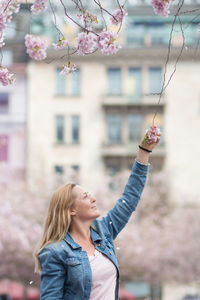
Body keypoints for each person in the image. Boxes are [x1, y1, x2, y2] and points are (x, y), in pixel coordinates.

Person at [34, 128, 161, 300]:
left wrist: (144, 151)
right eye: (86, 197)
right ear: (71, 210)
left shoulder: (103, 233)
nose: (93, 199)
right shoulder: (55, 252)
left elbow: (130, 199)